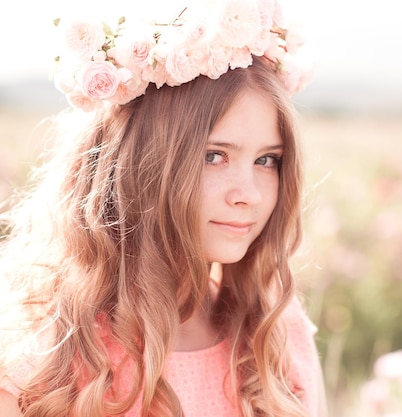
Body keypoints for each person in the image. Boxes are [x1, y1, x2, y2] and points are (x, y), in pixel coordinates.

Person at [0, 1, 325, 416]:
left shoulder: (274, 334)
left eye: (267, 160)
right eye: (214, 156)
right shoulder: (47, 354)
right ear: (140, 164)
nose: (250, 194)